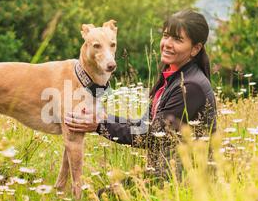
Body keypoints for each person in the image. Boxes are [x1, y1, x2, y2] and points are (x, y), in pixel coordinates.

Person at [64, 9, 217, 180]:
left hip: (187, 179)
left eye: (177, 40)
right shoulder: (172, 76)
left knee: (106, 198)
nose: (167, 43)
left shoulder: (190, 86)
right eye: (166, 36)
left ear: (195, 48)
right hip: (167, 172)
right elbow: (146, 125)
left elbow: (151, 136)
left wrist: (100, 125)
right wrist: (103, 118)